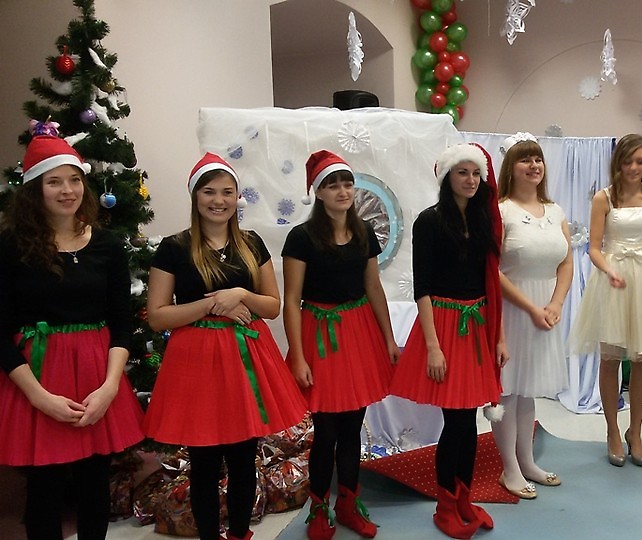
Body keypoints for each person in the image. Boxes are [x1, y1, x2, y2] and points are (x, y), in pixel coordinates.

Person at [142, 153, 307, 540]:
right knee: (203, 461)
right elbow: (158, 316)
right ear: (195, 196)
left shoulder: (251, 243)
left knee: (242, 457)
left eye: (227, 192)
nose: (219, 200)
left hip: (245, 358)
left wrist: (240, 294)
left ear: (237, 197)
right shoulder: (174, 247)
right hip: (196, 361)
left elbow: (272, 306)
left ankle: (239, 534)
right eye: (209, 191)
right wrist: (214, 304)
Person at [0, 131, 145, 540]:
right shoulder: (11, 247)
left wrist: (110, 388)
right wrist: (39, 397)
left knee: (94, 483)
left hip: (97, 376)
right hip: (36, 377)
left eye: (74, 180)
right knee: (43, 489)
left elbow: (121, 322)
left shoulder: (108, 246)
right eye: (54, 181)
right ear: (35, 189)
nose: (68, 191)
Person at [390, 143, 506, 539]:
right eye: (462, 172)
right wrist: (433, 346)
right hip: (443, 325)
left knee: (469, 422)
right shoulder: (430, 221)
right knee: (455, 421)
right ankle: (445, 504)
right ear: (447, 177)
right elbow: (422, 288)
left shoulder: (483, 220)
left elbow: (490, 285)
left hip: (477, 326)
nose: (470, 180)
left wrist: (499, 336)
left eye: (475, 173)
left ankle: (463, 498)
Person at [282, 150, 399, 538]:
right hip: (320, 336)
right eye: (333, 184)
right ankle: (319, 509)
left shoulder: (364, 231)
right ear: (318, 192)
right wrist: (298, 356)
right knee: (327, 432)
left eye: (347, 183)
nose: (343, 190)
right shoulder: (301, 238)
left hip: (358, 333)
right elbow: (292, 300)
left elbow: (373, 287)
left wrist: (388, 338)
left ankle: (349, 504)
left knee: (352, 429)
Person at [569, 133, 642, 468]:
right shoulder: (603, 198)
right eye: (628, 161)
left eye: (640, 161)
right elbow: (593, 248)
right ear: (618, 163)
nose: (634, 167)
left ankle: (636, 432)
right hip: (613, 280)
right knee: (610, 359)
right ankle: (612, 431)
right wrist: (608, 270)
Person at [491, 133, 572, 499]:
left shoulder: (555, 211)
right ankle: (509, 468)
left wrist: (556, 303)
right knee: (508, 391)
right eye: (525, 159)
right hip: (511, 310)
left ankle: (526, 461)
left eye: (538, 158)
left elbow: (566, 262)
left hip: (545, 308)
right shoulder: (501, 211)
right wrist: (531, 308)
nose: (534, 165)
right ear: (511, 167)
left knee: (527, 392)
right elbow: (492, 269)